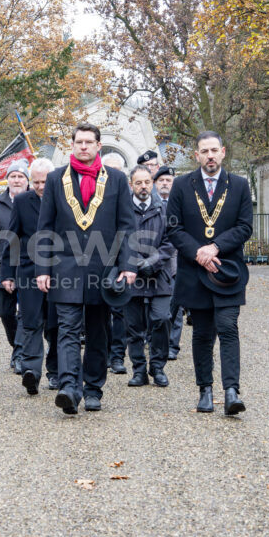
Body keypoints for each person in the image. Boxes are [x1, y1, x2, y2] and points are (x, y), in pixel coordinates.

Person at [36, 122, 137, 414]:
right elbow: (44, 228)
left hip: (102, 268)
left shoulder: (117, 179)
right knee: (66, 329)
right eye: (78, 142)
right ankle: (69, 387)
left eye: (88, 142)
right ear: (73, 145)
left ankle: (93, 389)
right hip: (64, 268)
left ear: (98, 146)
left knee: (98, 331)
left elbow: (127, 227)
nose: (83, 147)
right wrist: (42, 268)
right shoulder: (55, 179)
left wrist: (128, 265)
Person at [166, 130, 253, 415]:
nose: (210, 156)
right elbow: (174, 228)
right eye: (205, 151)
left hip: (227, 270)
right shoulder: (181, 185)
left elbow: (244, 227)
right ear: (197, 155)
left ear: (223, 152)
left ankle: (231, 391)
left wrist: (214, 247)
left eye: (214, 150)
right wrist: (198, 253)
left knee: (228, 328)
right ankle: (205, 388)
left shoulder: (239, 185)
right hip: (195, 272)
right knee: (202, 333)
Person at [0, 158, 59, 394]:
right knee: (31, 322)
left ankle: (55, 372)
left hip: (59, 272)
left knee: (56, 325)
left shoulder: (64, 199)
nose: (40, 186)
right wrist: (7, 273)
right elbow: (12, 237)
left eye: (44, 181)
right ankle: (31, 372)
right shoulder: (23, 201)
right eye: (35, 181)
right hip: (28, 271)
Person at [124, 165, 175, 388]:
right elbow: (117, 239)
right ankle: (138, 370)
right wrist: (134, 264)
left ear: (152, 183)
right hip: (131, 275)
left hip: (160, 274)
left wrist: (152, 262)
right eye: (138, 183)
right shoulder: (123, 210)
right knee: (133, 326)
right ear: (131, 185)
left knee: (162, 319)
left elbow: (171, 240)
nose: (143, 187)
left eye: (146, 182)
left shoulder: (164, 209)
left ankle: (158, 367)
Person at [0, 160, 29, 374]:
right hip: (1, 268)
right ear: (8, 179)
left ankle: (21, 354)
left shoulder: (35, 201)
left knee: (25, 312)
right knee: (5, 312)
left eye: (21, 176)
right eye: (13, 176)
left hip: (26, 267)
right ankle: (17, 345)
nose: (17, 180)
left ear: (27, 180)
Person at [101, 152, 130, 374]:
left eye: (116, 171)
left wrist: (128, 264)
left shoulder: (127, 194)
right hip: (98, 259)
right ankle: (103, 352)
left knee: (119, 311)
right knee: (99, 311)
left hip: (120, 260)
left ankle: (118, 355)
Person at [154, 166, 185, 360]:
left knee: (177, 306)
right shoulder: (150, 203)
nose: (165, 183)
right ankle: (156, 342)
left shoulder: (181, 204)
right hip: (155, 262)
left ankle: (173, 345)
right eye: (161, 180)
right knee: (157, 310)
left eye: (169, 180)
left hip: (176, 263)